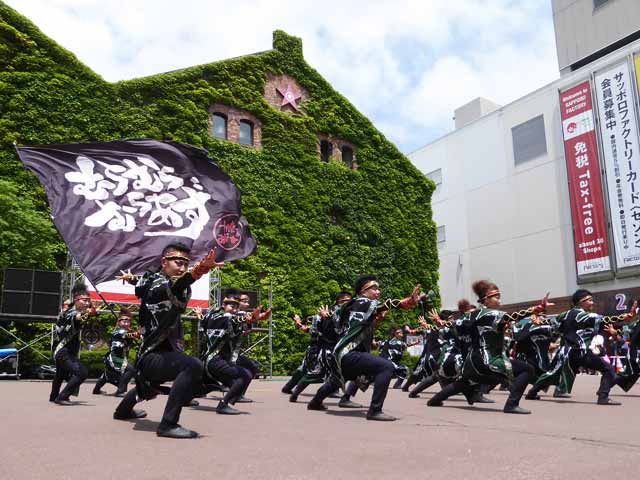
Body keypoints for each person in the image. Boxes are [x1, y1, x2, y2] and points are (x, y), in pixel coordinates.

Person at [113, 242, 222, 439]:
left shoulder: (148, 280)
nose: (182, 267)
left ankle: (122, 411)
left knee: (149, 386)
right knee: (192, 366)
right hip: (152, 355)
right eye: (178, 262)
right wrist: (199, 270)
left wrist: (130, 278)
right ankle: (168, 424)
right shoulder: (160, 283)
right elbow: (176, 284)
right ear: (164, 262)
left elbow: (140, 282)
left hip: (159, 354)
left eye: (185, 264)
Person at [307, 275, 421, 421]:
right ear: (363, 291)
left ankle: (315, 402)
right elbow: (385, 305)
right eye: (374, 288)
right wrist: (405, 302)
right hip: (349, 353)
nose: (378, 291)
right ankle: (374, 410)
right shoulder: (363, 301)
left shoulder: (349, 306)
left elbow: (334, 317)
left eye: (378, 288)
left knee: (337, 380)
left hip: (341, 355)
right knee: (386, 367)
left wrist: (325, 315)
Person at [428, 280, 551, 414]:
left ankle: (434, 400)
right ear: (486, 300)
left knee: (464, 382)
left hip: (472, 361)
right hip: (489, 359)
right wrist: (536, 309)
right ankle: (511, 405)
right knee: (527, 370)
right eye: (496, 297)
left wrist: (439, 321)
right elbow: (512, 316)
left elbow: (452, 325)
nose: (499, 301)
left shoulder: (470, 315)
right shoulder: (493, 314)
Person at [531, 289, 637, 405]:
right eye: (589, 300)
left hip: (566, 352)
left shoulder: (564, 314)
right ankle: (603, 397)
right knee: (608, 369)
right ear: (581, 302)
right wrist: (627, 316)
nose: (592, 303)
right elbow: (606, 319)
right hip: (579, 352)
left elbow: (552, 323)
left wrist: (538, 320)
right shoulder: (586, 316)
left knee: (552, 373)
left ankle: (533, 392)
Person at [201, 293, 262, 414]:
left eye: (236, 307)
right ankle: (223, 405)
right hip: (214, 360)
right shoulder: (224, 317)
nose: (234, 309)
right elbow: (234, 319)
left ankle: (184, 398)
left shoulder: (212, 315)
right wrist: (248, 318)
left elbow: (238, 324)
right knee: (244, 375)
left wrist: (252, 319)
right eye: (231, 306)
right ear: (223, 304)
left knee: (206, 386)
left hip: (213, 359)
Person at [49, 283, 94, 405]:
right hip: (63, 351)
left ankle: (54, 396)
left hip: (63, 351)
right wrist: (88, 313)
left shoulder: (73, 311)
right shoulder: (71, 312)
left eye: (88, 301)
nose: (86, 303)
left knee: (60, 374)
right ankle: (62, 397)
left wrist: (89, 314)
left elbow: (80, 319)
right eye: (84, 300)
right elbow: (76, 317)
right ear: (76, 300)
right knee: (82, 372)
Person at [93, 307, 139, 396]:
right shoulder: (118, 331)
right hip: (115, 357)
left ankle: (96, 390)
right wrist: (134, 334)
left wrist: (135, 335)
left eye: (128, 321)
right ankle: (120, 391)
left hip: (120, 357)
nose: (126, 323)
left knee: (107, 375)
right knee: (131, 370)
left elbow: (129, 337)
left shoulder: (126, 331)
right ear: (119, 322)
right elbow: (126, 335)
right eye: (124, 321)